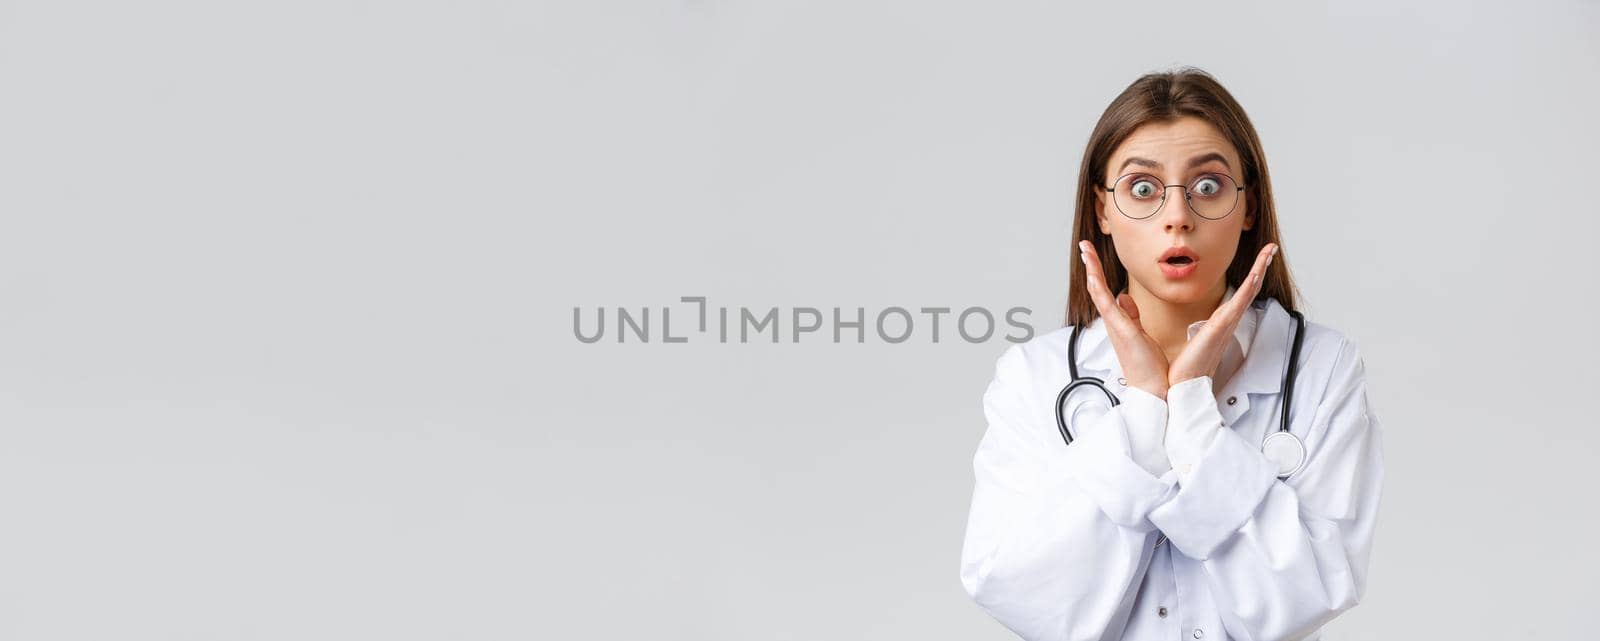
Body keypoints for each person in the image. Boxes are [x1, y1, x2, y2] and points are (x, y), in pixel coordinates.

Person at [958, 68, 1385, 641]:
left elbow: (1305, 598)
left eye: (1208, 186)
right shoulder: (1033, 377)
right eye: (1142, 189)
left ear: (1249, 206)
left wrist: (1192, 413)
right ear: (1102, 212)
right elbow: (1021, 594)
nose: (1178, 216)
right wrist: (1143, 410)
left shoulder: (1319, 367)